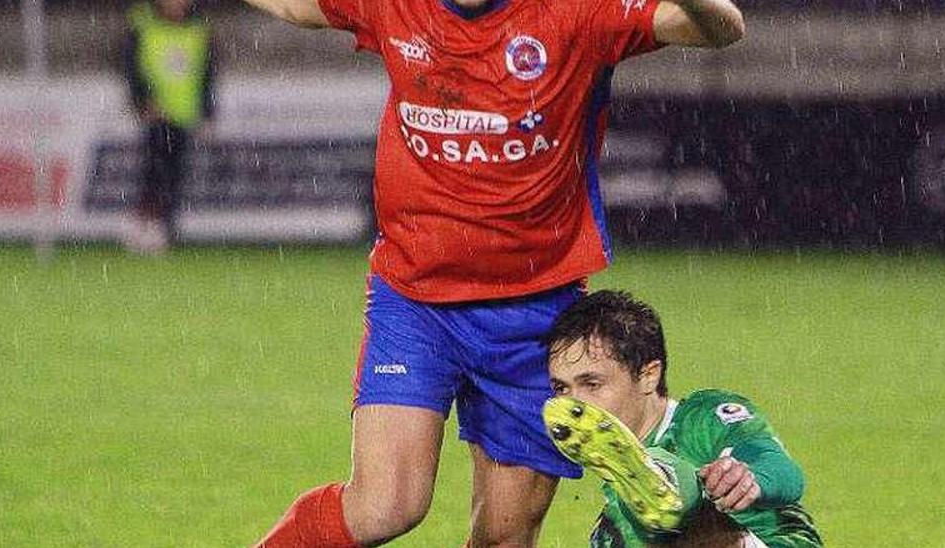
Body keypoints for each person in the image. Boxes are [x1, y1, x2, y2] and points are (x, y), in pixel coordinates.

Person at [242, 0, 745, 545]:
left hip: (537, 316)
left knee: (503, 537)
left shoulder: (578, 12)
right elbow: (296, 7)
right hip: (415, 298)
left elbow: (719, 29)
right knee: (386, 505)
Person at [543, 290, 823, 547]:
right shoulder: (612, 528)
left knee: (685, 509)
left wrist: (750, 478)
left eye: (592, 384)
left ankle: (664, 480)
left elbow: (784, 471)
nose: (573, 406)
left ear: (648, 375)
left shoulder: (703, 419)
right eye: (561, 389)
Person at [121, 0, 217, 254]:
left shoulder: (199, 28)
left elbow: (208, 73)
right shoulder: (142, 22)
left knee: (175, 174)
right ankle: (144, 225)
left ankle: (164, 229)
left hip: (184, 113)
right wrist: (142, 99)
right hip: (156, 113)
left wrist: (207, 112)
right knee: (153, 171)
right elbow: (131, 66)